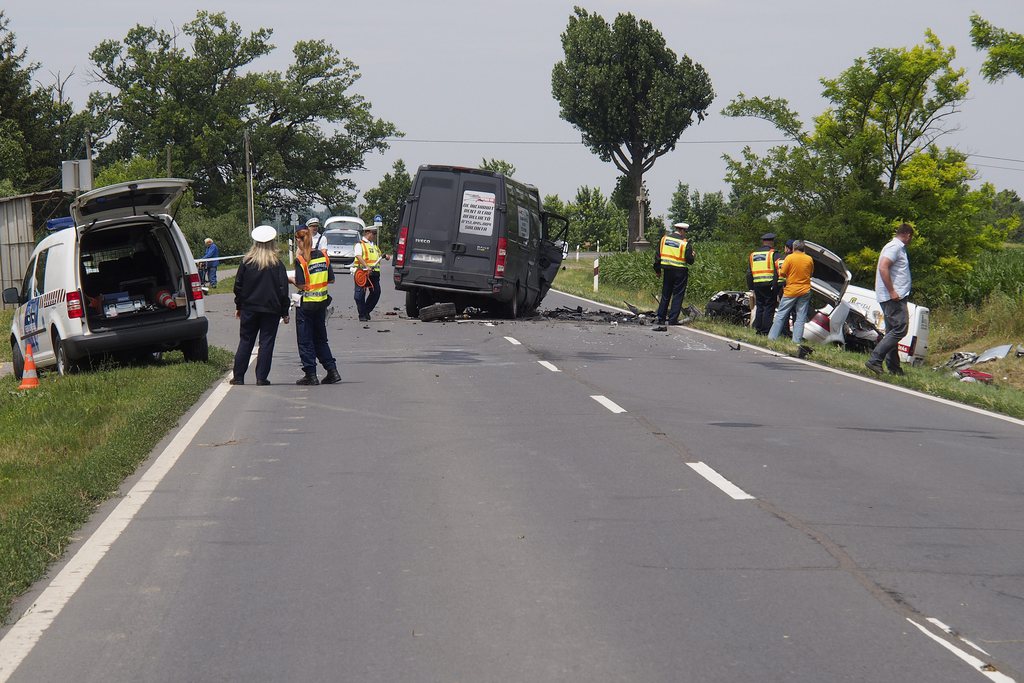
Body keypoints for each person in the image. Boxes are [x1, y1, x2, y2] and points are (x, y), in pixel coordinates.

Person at [230, 226, 290, 386]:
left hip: (249, 307)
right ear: (272, 243)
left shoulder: (247, 262)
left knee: (246, 340)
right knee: (267, 342)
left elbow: (238, 286)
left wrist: (239, 305)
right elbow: (283, 289)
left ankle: (238, 376)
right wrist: (285, 311)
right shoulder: (277, 264)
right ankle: (261, 377)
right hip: (271, 309)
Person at [292, 225, 341, 386]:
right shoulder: (323, 257)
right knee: (321, 339)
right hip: (321, 304)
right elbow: (331, 279)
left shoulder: (301, 260)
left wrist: (290, 280)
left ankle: (310, 375)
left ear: (299, 241)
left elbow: (300, 283)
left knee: (305, 341)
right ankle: (332, 371)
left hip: (306, 305)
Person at [866, 223, 914, 376]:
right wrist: (892, 291)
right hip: (893, 297)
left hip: (891, 296)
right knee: (901, 329)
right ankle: (875, 359)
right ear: (907, 234)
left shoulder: (895, 247)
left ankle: (894, 368)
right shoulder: (895, 247)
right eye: (910, 237)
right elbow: (883, 267)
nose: (910, 240)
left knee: (892, 331)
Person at [768, 239, 814, 343]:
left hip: (791, 290)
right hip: (805, 290)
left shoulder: (789, 258)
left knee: (781, 314)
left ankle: (772, 338)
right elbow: (811, 274)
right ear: (803, 248)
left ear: (793, 248)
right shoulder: (809, 259)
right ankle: (796, 341)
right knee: (800, 317)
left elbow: (783, 273)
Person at [653, 222, 695, 329]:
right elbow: (689, 260)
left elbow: (658, 256)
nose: (685, 234)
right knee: (677, 295)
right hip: (680, 271)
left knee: (665, 294)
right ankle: (672, 320)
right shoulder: (685, 243)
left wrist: (657, 270)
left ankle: (661, 318)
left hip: (667, 270)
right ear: (682, 231)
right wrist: (693, 255)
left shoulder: (664, 239)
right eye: (685, 232)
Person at [353, 223, 389, 322]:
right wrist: (366, 266)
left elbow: (378, 257)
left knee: (376, 292)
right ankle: (362, 315)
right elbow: (358, 256)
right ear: (367, 233)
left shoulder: (374, 246)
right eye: (373, 233)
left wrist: (386, 257)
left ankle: (366, 311)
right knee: (359, 295)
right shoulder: (359, 244)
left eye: (375, 233)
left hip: (374, 273)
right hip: (362, 273)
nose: (374, 235)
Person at [747, 233, 779, 335]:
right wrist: (776, 286)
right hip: (769, 285)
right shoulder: (773, 254)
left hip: (757, 285)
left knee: (760, 307)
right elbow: (777, 271)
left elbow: (749, 273)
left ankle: (758, 329)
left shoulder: (753, 255)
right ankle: (765, 331)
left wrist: (751, 287)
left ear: (763, 242)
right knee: (769, 307)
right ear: (771, 242)